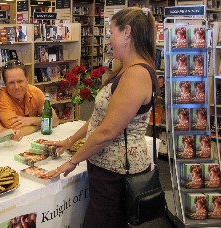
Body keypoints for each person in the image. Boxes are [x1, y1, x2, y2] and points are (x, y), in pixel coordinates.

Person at [45, 7, 157, 227]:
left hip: (117, 173)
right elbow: (99, 118)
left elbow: (107, 131)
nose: (109, 40)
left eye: (111, 33)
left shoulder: (136, 74)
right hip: (108, 168)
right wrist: (70, 141)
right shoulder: (127, 69)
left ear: (127, 32)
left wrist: (71, 161)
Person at [0, 60, 59, 137]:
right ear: (5, 84)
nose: (16, 87)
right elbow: (15, 132)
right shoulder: (1, 98)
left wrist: (31, 120)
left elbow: (54, 120)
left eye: (20, 81)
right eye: (11, 83)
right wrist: (41, 124)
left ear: (27, 80)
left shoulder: (35, 91)